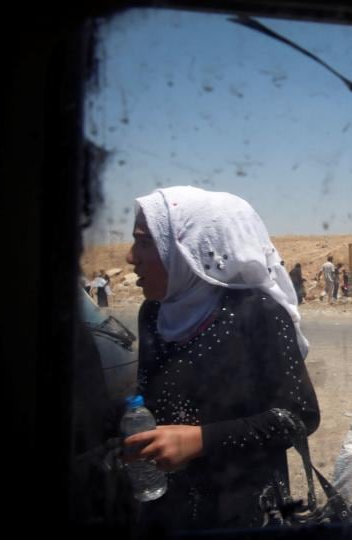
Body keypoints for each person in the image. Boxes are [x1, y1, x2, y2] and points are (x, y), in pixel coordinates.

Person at [123, 186, 320, 531]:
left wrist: (200, 440)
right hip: (169, 508)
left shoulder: (259, 313)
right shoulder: (153, 314)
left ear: (185, 248)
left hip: (244, 512)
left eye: (144, 242)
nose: (130, 257)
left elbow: (298, 417)